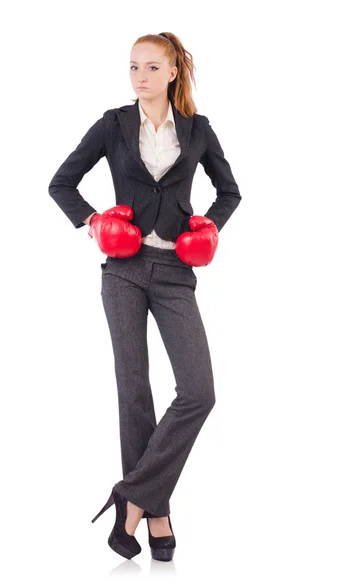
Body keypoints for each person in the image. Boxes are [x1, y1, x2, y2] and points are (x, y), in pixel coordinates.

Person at [48, 31, 242, 561]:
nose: (140, 76)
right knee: (134, 390)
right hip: (124, 270)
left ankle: (131, 495)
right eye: (134, 67)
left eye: (152, 68)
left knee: (199, 391)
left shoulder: (197, 130)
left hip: (176, 269)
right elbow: (61, 182)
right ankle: (155, 512)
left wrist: (211, 225)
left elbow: (230, 190)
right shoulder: (112, 123)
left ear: (173, 72)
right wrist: (93, 220)